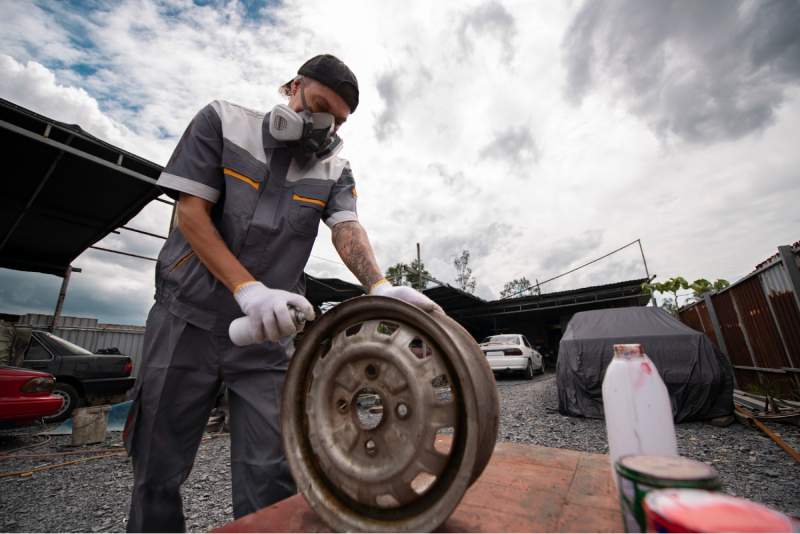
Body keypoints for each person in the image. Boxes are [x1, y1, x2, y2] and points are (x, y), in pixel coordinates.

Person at [124, 54, 442, 533]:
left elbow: (346, 227)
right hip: (184, 321)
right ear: (293, 87)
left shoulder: (334, 168)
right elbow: (190, 215)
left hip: (267, 337)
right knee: (155, 467)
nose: (325, 125)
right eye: (319, 106)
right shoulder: (223, 123)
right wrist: (247, 290)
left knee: (272, 472)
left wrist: (378, 285)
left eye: (338, 120)